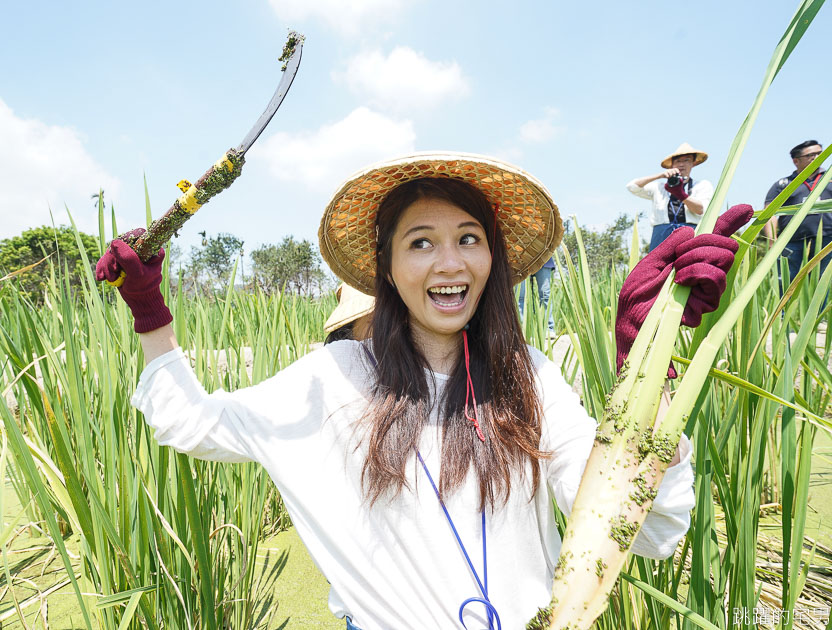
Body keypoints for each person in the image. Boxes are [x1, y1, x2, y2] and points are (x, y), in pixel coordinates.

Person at [96, 152, 746, 630]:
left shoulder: (531, 376)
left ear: (492, 258)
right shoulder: (335, 378)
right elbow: (190, 423)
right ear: (387, 268)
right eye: (421, 243)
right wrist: (150, 310)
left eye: (469, 239)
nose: (449, 262)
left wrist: (651, 367)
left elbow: (643, 527)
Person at [763, 139, 832, 286]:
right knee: (784, 285)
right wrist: (772, 241)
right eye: (811, 155)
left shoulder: (829, 179)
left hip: (827, 239)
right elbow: (769, 213)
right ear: (796, 161)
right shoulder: (784, 184)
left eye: (820, 153)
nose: (817, 157)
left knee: (820, 287)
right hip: (791, 242)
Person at [627, 142, 714, 251]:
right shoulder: (660, 187)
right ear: (672, 165)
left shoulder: (702, 185)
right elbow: (632, 186)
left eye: (686, 160)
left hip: (690, 232)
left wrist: (681, 194)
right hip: (661, 234)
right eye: (678, 161)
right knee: (658, 267)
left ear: (693, 163)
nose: (681, 164)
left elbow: (701, 209)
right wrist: (660, 175)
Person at [517, 257, 556, 335]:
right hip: (520, 258)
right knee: (521, 296)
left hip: (542, 257)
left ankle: (549, 328)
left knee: (545, 295)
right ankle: (522, 330)